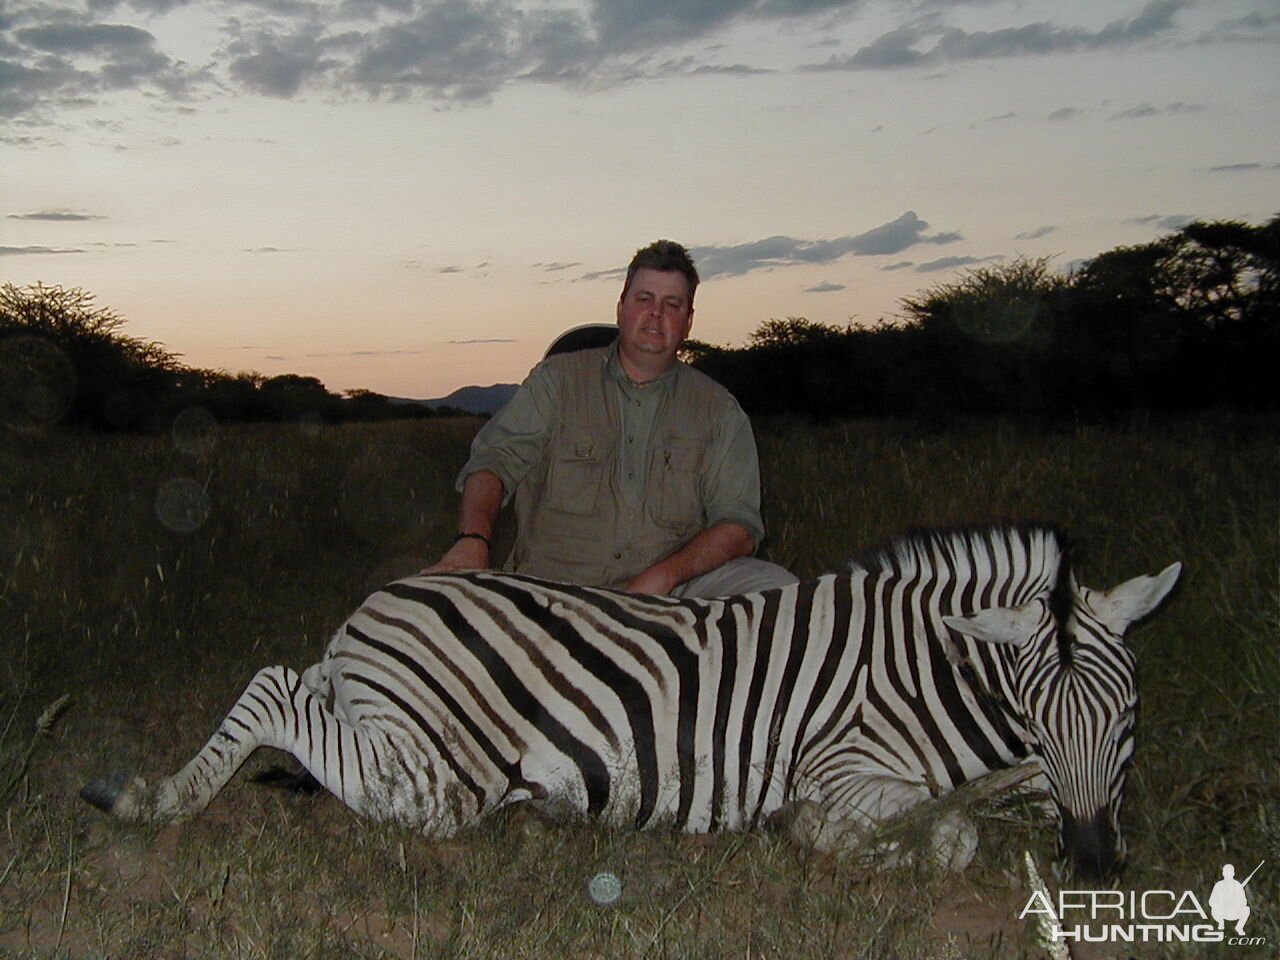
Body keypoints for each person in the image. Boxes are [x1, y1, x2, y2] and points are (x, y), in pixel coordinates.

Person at [425, 239, 796, 597]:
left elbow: (739, 524)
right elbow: (494, 462)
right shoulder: (557, 381)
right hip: (555, 587)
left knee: (781, 589)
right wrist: (472, 541)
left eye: (672, 304)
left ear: (688, 322)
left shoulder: (719, 410)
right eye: (644, 299)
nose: (656, 314)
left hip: (675, 590)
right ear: (621, 308)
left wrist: (664, 576)